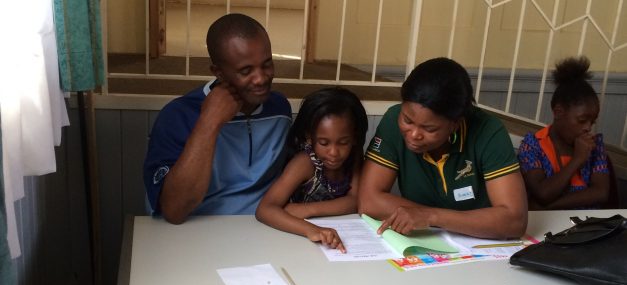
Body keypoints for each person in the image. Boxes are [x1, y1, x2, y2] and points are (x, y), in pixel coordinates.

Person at [143, 13, 292, 224]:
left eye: (267, 65)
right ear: (218, 73)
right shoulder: (178, 116)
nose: (260, 78)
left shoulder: (279, 108)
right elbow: (174, 210)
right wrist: (209, 121)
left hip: (263, 226)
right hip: (196, 230)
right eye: (246, 71)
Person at [359, 57, 527, 239]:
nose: (414, 134)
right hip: (424, 243)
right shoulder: (392, 121)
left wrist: (431, 217)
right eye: (407, 120)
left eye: (429, 128)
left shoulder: (488, 132)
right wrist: (429, 217)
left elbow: (514, 221)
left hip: (478, 244)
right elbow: (368, 201)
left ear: (455, 124)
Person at [255, 87, 368, 251]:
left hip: (341, 236)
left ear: (354, 138)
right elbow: (265, 210)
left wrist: (307, 210)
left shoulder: (353, 157)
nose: (334, 152)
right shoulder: (304, 163)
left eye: (343, 142)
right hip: (295, 238)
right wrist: (312, 230)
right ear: (309, 137)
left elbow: (356, 201)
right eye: (324, 143)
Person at [518, 56, 609, 209]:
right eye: (582, 120)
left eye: (592, 122)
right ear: (559, 112)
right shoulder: (532, 146)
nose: (588, 127)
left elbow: (600, 192)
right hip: (549, 226)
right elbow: (543, 193)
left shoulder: (594, 145)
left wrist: (549, 207)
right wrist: (577, 160)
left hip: (589, 224)